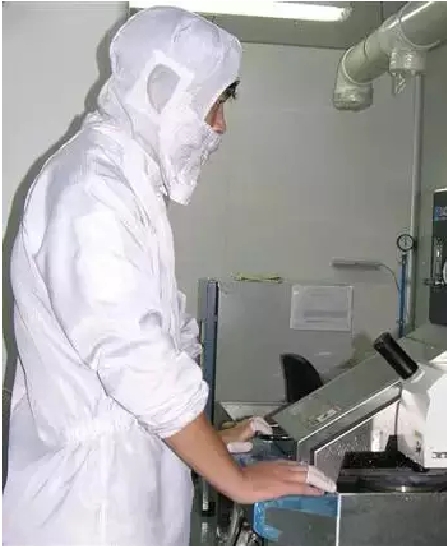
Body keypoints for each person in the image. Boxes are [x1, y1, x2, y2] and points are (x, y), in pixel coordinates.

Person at [2, 6, 335, 545]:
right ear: (166, 92)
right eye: (214, 104)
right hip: (90, 512)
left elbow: (160, 342)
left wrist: (213, 442)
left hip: (122, 490)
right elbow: (137, 362)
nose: (219, 125)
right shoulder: (92, 190)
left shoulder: (126, 185)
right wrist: (237, 481)